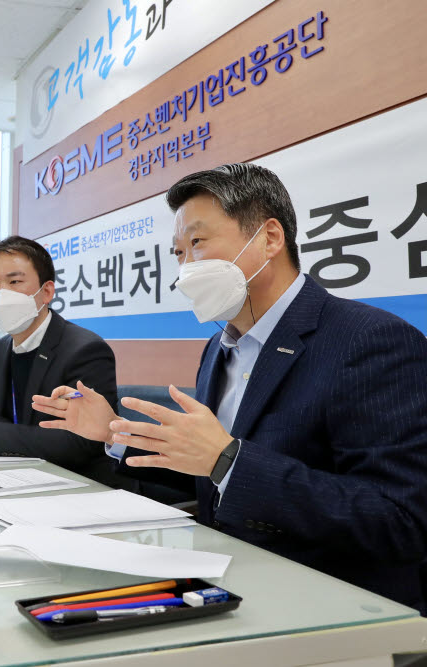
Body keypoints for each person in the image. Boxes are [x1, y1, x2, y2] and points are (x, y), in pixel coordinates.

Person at [32, 163, 427, 611]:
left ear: (270, 238)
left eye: (197, 242)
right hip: (227, 586)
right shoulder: (218, 350)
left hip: (333, 607)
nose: (184, 268)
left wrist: (228, 461)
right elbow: (211, 472)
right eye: (177, 252)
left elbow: (400, 520)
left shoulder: (368, 341)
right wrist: (115, 433)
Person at [0, 235, 131, 488]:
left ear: (46, 292)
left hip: (79, 486)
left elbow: (82, 442)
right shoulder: (0, 349)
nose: (1, 294)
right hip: (16, 479)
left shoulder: (85, 349)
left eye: (14, 281)